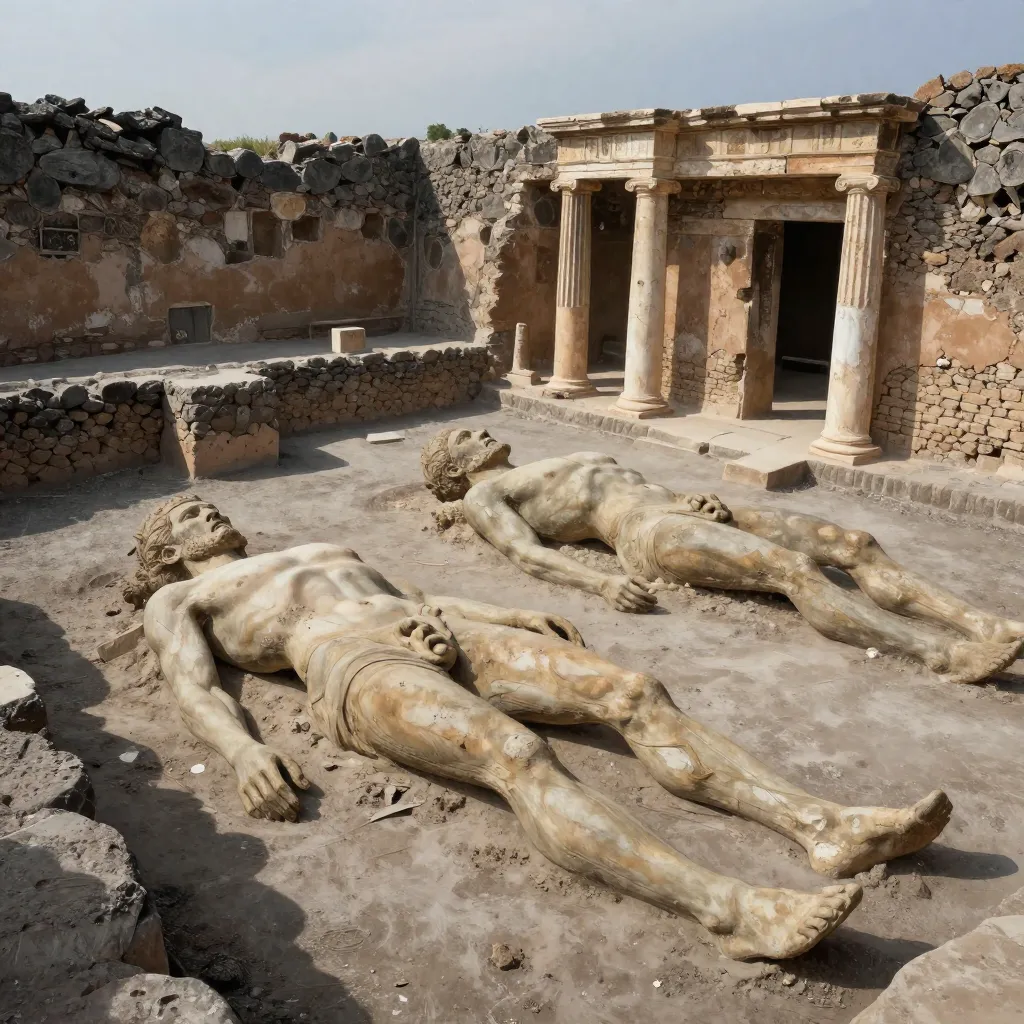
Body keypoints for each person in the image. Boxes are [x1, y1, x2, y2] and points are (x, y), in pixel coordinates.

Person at [128, 495, 951, 961]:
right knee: (514, 753)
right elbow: (193, 685)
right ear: (167, 550)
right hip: (353, 670)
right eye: (193, 516)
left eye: (212, 507)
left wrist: (505, 610)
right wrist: (241, 749)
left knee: (634, 690)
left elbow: (418, 593)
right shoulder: (182, 600)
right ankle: (731, 909)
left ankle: (824, 825)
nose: (215, 516)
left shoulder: (321, 537)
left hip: (432, 631)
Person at [420, 427, 1024, 684]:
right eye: (463, 439)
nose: (478, 435)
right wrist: (599, 584)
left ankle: (981, 622)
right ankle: (942, 653)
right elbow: (527, 555)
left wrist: (690, 494)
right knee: (794, 570)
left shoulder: (534, 467)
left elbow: (633, 481)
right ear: (457, 468)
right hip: (648, 535)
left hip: (684, 509)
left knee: (853, 544)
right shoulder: (485, 494)